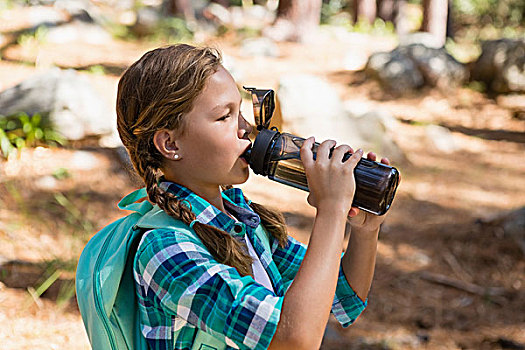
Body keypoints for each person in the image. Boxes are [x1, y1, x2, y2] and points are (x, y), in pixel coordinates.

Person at [116, 43, 391, 350]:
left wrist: (365, 230)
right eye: (224, 117)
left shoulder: (242, 220)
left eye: (241, 113)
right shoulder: (165, 248)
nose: (246, 129)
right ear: (170, 143)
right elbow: (295, 340)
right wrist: (330, 209)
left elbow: (342, 296)